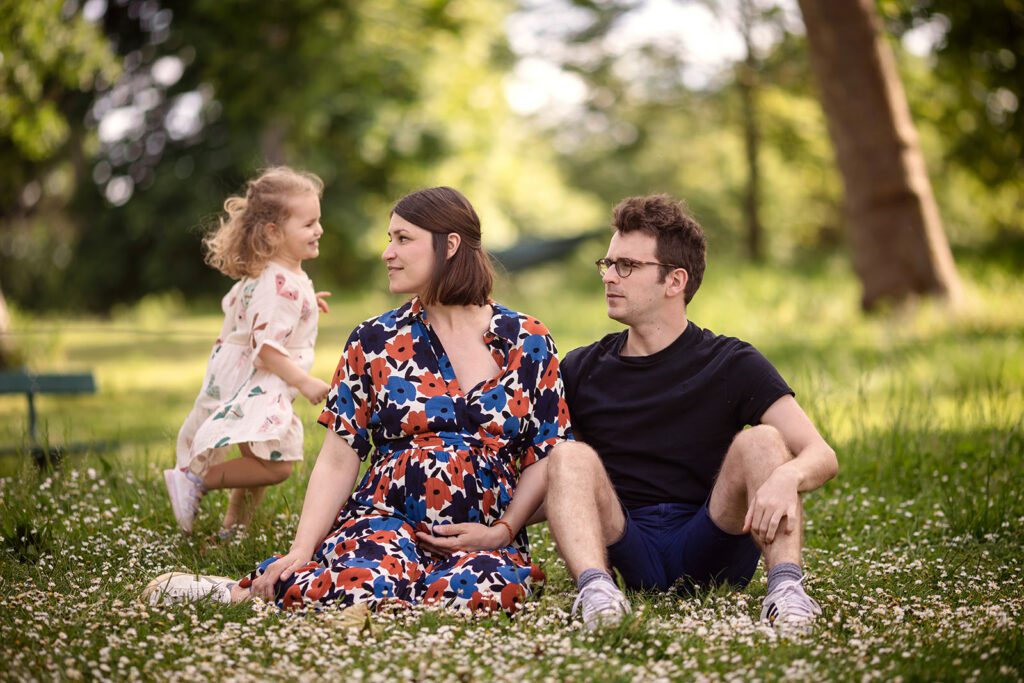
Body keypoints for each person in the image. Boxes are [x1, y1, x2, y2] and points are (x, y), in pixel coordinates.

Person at [143, 186, 571, 614]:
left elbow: (546, 453)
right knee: (365, 586)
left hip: (481, 534)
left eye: (403, 239)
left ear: (451, 244)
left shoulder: (527, 340)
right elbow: (337, 458)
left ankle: (397, 590)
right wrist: (301, 548)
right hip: (387, 519)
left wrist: (502, 530)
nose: (388, 252)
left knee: (485, 594)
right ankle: (237, 590)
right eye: (390, 239)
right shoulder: (375, 340)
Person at [544, 194, 838, 631]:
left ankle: (787, 592)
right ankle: (597, 594)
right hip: (624, 548)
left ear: (674, 280)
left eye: (626, 265)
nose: (609, 277)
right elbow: (554, 477)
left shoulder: (732, 362)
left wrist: (785, 476)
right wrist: (497, 528)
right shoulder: (580, 367)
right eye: (607, 264)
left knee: (763, 441)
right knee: (568, 455)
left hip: (713, 541)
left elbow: (821, 454)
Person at [163, 167, 332, 537]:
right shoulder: (278, 283)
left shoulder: (280, 276)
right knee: (278, 465)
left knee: (261, 455)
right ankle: (196, 479)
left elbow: (260, 312)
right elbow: (266, 348)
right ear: (273, 232)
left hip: (246, 375)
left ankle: (233, 529)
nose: (318, 229)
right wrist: (304, 382)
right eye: (308, 224)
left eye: (318, 221)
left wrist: (305, 303)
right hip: (262, 376)